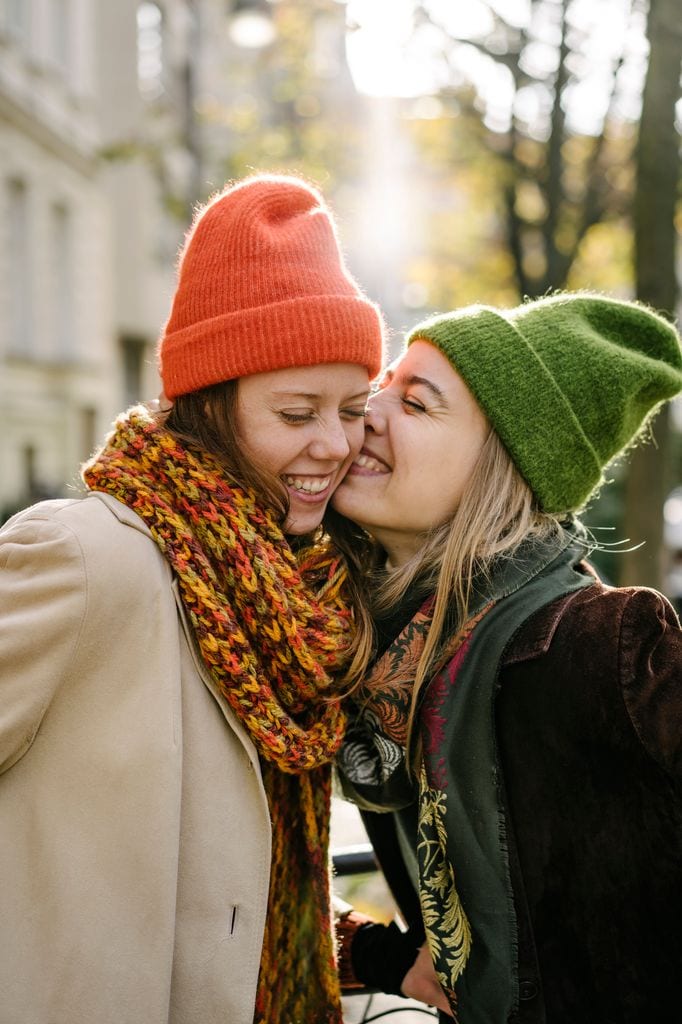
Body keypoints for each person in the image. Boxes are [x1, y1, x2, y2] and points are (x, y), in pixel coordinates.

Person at [0, 173, 385, 1024]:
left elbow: (239, 881)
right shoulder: (88, 558)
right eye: (296, 412)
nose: (334, 444)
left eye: (353, 408)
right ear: (211, 405)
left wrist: (379, 953)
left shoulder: (295, 599)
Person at [332, 292, 682, 1023]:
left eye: (418, 404)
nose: (367, 412)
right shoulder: (364, 653)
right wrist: (386, 960)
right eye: (384, 386)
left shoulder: (602, 645)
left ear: (502, 465)